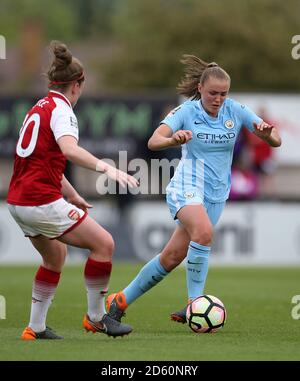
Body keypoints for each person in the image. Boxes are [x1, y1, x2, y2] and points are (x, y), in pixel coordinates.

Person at [105, 54, 281, 326]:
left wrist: (268, 134)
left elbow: (276, 140)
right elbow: (154, 141)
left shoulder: (235, 110)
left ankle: (119, 302)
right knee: (204, 233)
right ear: (200, 89)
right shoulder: (186, 111)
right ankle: (194, 305)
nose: (218, 99)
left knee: (172, 257)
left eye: (223, 94)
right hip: (186, 186)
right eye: (213, 93)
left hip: (216, 193)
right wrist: (173, 139)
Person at [6, 41, 138, 340]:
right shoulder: (63, 111)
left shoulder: (38, 108)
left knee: (55, 256)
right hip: (39, 201)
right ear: (77, 85)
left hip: (17, 201)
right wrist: (109, 169)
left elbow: (44, 159)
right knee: (104, 244)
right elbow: (69, 150)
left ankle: (35, 327)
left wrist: (71, 192)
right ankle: (97, 317)